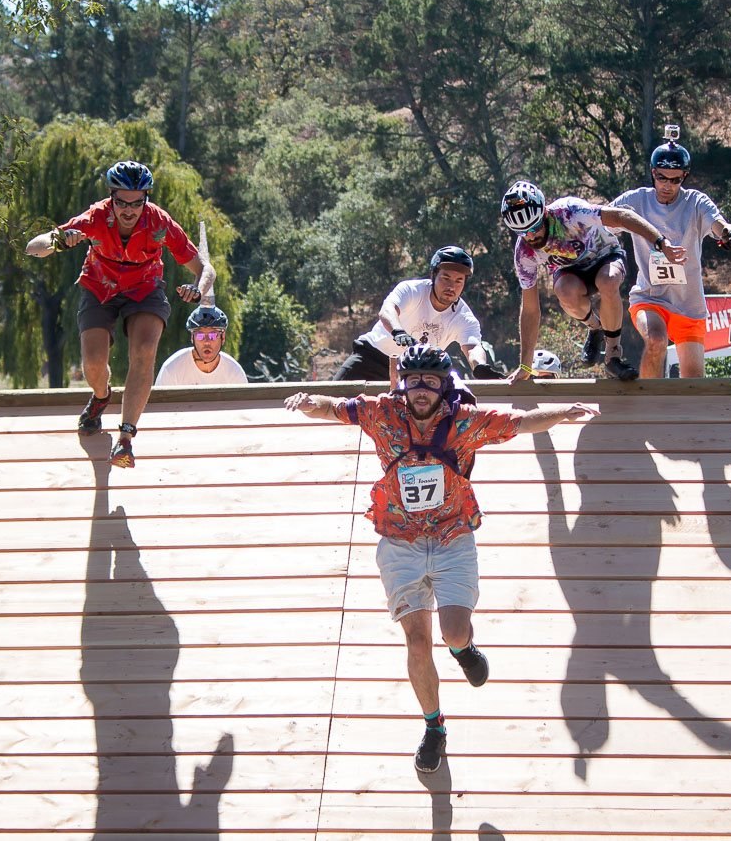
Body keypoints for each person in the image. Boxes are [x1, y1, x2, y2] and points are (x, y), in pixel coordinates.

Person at [284, 344, 598, 773]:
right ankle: (434, 727)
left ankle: (464, 647)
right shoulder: (383, 413)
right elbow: (335, 408)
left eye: (430, 383)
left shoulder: (464, 422)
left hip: (452, 536)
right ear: (403, 384)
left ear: (444, 386)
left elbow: (520, 422)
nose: (420, 390)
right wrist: (307, 402)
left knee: (451, 632)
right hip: (399, 542)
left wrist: (561, 413)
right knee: (417, 642)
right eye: (414, 382)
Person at [25, 160, 216, 468]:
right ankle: (101, 396)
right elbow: (33, 247)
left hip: (145, 288)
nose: (129, 210)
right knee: (94, 363)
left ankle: (125, 438)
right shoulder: (95, 217)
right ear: (111, 197)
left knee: (144, 350)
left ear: (147, 199)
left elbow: (205, 268)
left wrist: (198, 288)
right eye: (122, 203)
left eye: (137, 203)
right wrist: (60, 240)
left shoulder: (159, 222)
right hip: (99, 288)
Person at [500, 180, 686, 382]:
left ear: (544, 213)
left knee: (608, 280)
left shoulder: (569, 211)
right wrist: (525, 365)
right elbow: (529, 309)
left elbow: (621, 216)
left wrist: (660, 242)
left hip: (605, 255)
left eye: (534, 227)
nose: (531, 236)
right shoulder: (524, 253)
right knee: (564, 291)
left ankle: (613, 354)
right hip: (572, 272)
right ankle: (595, 327)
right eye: (522, 232)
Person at [611, 126, 731, 379]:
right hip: (650, 298)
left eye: (675, 180)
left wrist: (728, 233)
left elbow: (718, 222)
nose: (667, 185)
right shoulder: (636, 201)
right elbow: (602, 219)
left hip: (689, 306)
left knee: (693, 384)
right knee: (657, 340)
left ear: (685, 176)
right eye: (661, 178)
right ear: (652, 173)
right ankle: (649, 411)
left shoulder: (695, 202)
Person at [332, 246, 502, 387]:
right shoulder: (412, 290)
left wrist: (479, 366)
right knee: (330, 401)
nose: (451, 286)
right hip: (372, 358)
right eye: (446, 278)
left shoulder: (464, 317)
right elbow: (387, 310)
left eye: (459, 281)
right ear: (434, 275)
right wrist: (398, 331)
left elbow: (472, 347)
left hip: (414, 374)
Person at [155, 306, 248, 386]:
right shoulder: (171, 368)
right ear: (192, 338)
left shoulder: (234, 372)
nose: (206, 342)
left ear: (223, 337)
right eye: (200, 336)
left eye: (213, 336)